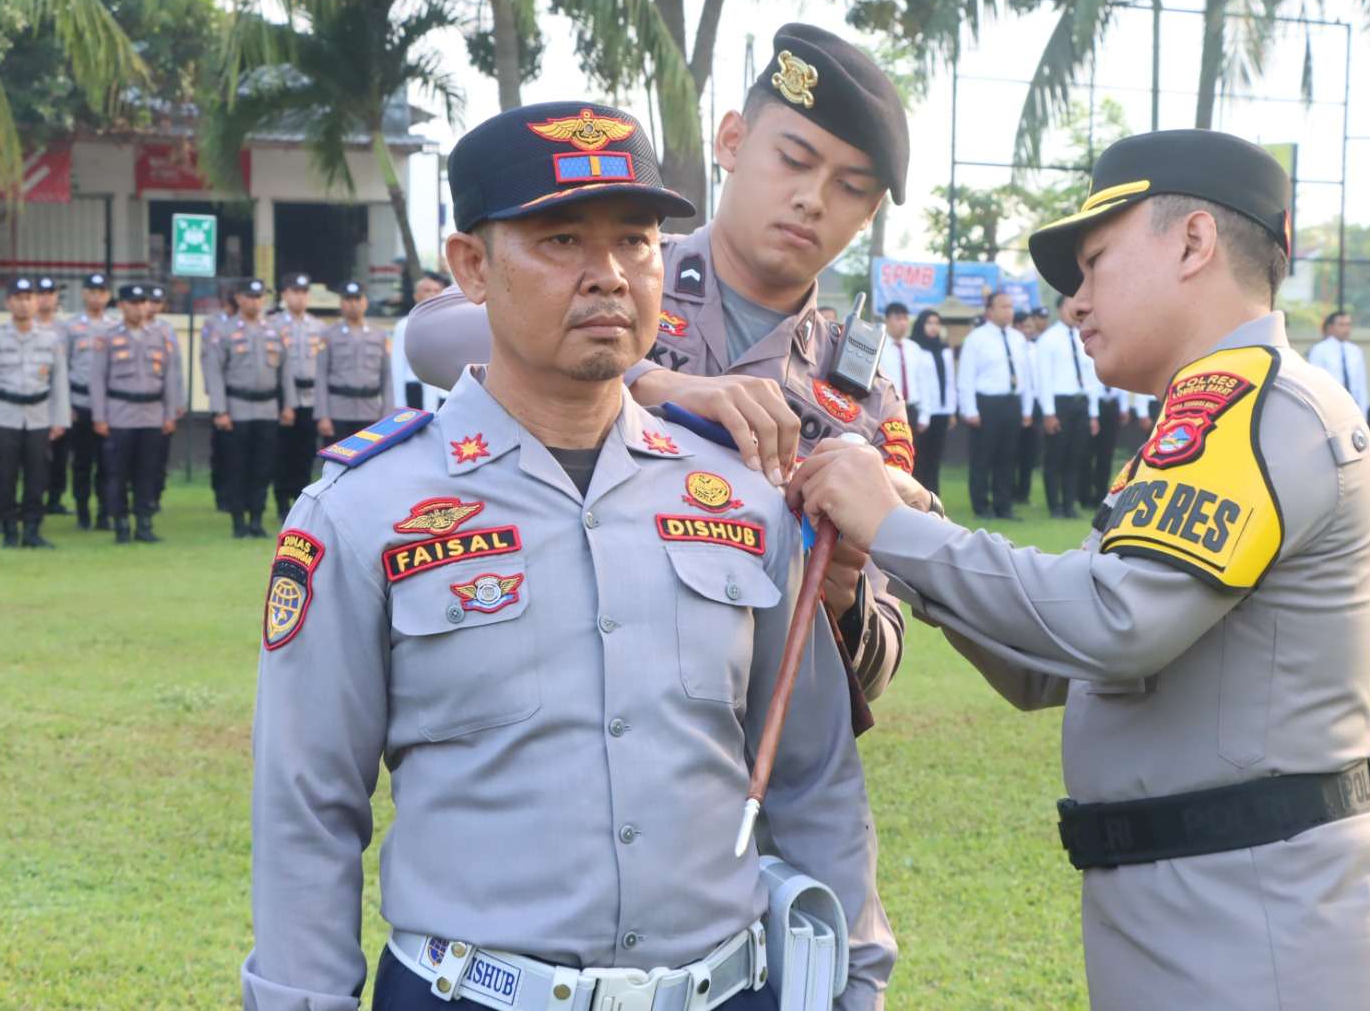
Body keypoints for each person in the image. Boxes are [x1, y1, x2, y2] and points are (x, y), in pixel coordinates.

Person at [243, 100, 892, 1011]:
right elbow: (307, 810)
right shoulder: (363, 515)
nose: (611, 277)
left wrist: (853, 984)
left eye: (636, 241)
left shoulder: (747, 500)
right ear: (471, 264)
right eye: (560, 241)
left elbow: (815, 774)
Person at [789, 129, 1370, 1010]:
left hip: (1260, 941)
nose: (1076, 303)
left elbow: (1112, 623)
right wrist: (915, 527)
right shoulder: (1206, 425)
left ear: (1195, 243)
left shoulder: (1257, 404)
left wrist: (899, 527)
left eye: (1094, 265)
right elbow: (1052, 662)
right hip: (1205, 920)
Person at [400, 22, 939, 705]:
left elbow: (877, 664)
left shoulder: (865, 398)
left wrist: (842, 595)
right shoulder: (623, 267)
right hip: (558, 679)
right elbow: (433, 333)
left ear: (868, 216)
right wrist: (652, 382)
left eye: (851, 187)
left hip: (727, 726)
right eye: (795, 160)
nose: (813, 199)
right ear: (733, 142)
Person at [0, 276, 69, 548]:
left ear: (37, 302)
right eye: (18, 299)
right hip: (4, 416)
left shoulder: (51, 339)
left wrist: (59, 419)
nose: (24, 304)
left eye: (29, 298)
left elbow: (59, 383)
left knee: (38, 476)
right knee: (4, 476)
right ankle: (9, 530)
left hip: (38, 416)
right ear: (8, 302)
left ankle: (33, 530)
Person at [204, 277, 296, 537]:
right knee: (236, 466)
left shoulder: (275, 331)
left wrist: (288, 405)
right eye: (249, 296)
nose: (254, 301)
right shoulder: (224, 331)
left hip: (267, 407)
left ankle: (256, 518)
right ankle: (238, 521)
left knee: (263, 466)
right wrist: (220, 410)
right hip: (237, 407)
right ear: (239, 299)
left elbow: (285, 372)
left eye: (259, 297)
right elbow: (215, 372)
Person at [91, 283, 179, 543]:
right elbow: (97, 379)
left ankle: (144, 523)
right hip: (120, 414)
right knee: (118, 473)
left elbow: (170, 376)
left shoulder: (160, 335)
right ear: (121, 306)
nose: (140, 307)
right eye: (134, 302)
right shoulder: (107, 336)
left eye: (143, 302)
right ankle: (119, 523)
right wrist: (100, 416)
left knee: (147, 472)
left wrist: (170, 413)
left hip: (152, 414)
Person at [957, 291, 1034, 519]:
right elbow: (966, 377)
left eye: (1010, 306)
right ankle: (981, 506)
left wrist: (1026, 409)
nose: (1008, 311)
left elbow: (1026, 377)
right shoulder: (976, 339)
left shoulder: (1018, 339)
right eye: (1003, 306)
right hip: (986, 404)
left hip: (1012, 402)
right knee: (983, 457)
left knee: (1008, 457)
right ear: (989, 311)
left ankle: (1004, 505)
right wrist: (969, 409)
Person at [1034, 294, 1101, 519]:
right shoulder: (1048, 339)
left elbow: (1091, 378)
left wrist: (1093, 413)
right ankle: (1055, 506)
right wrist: (1049, 413)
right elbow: (1043, 379)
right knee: (1055, 457)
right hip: (1059, 403)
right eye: (1073, 306)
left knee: (1075, 457)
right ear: (1062, 308)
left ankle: (1070, 504)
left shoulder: (1083, 337)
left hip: (1080, 402)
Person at [62, 272, 118, 530]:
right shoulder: (70, 327)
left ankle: (105, 513)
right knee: (83, 463)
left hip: (108, 406)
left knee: (108, 464)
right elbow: (61, 368)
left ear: (108, 295)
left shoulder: (115, 327)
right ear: (84, 294)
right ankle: (83, 512)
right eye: (92, 292)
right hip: (79, 402)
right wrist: (66, 405)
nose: (97, 297)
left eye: (102, 292)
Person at [270, 272, 326, 516]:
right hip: (284, 397)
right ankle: (282, 500)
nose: (300, 297)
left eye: (304, 292)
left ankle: (301, 501)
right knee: (282, 451)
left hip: (311, 396)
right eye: (295, 292)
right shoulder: (272, 325)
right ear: (285, 295)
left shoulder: (319, 326)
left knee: (305, 451)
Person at [315, 281, 394, 443]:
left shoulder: (379, 335)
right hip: (338, 411)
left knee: (368, 464)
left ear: (365, 302)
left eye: (357, 299)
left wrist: (387, 413)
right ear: (341, 303)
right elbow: (321, 376)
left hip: (370, 411)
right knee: (337, 464)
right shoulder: (329, 334)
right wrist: (323, 415)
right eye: (348, 299)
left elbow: (387, 377)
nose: (353, 304)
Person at [29, 275, 73, 515]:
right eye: (41, 294)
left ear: (56, 298)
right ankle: (31, 498)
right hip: (31, 397)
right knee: (32, 454)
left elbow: (73, 367)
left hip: (58, 399)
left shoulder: (67, 330)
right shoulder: (25, 324)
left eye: (50, 294)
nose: (46, 298)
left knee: (59, 453)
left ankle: (55, 499)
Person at [143, 282, 184, 517]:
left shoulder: (166, 330)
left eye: (157, 302)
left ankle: (153, 497)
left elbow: (175, 369)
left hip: (160, 405)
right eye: (149, 301)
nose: (152, 306)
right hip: (132, 407)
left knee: (158, 457)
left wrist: (178, 402)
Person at [202, 287, 241, 513]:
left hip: (242, 398)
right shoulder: (214, 324)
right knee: (222, 449)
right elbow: (208, 359)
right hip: (223, 394)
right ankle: (221, 492)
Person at [909, 309, 955, 494]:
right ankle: (919, 495)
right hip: (923, 410)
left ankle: (935, 494)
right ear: (921, 325)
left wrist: (951, 410)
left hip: (942, 410)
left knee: (936, 456)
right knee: (920, 456)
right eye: (929, 323)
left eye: (937, 323)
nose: (934, 327)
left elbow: (950, 379)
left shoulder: (944, 349)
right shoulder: (915, 348)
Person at [391, 270, 451, 412]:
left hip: (443, 393)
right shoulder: (405, 325)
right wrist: (399, 403)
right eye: (427, 290)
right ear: (416, 296)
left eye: (436, 290)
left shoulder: (450, 324)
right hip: (414, 389)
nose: (432, 294)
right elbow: (397, 365)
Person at [876, 301, 933, 435]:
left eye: (905, 319)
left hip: (912, 410)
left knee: (914, 453)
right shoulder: (878, 346)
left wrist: (925, 414)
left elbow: (923, 381)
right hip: (887, 410)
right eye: (898, 319)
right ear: (887, 320)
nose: (903, 323)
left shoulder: (914, 348)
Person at [1011, 308, 1045, 506]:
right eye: (1024, 326)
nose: (1028, 330)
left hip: (1035, 405)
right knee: (1012, 452)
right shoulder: (1015, 348)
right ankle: (1010, 491)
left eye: (1031, 326)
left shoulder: (1036, 348)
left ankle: (1023, 493)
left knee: (1029, 453)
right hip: (1019, 404)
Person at [1308, 310, 1369, 416]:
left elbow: (1361, 384)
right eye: (1341, 325)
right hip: (1330, 407)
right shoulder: (1319, 350)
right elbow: (1314, 382)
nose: (1346, 329)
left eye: (1348, 325)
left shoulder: (1355, 351)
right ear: (1331, 327)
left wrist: (1363, 413)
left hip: (1353, 407)